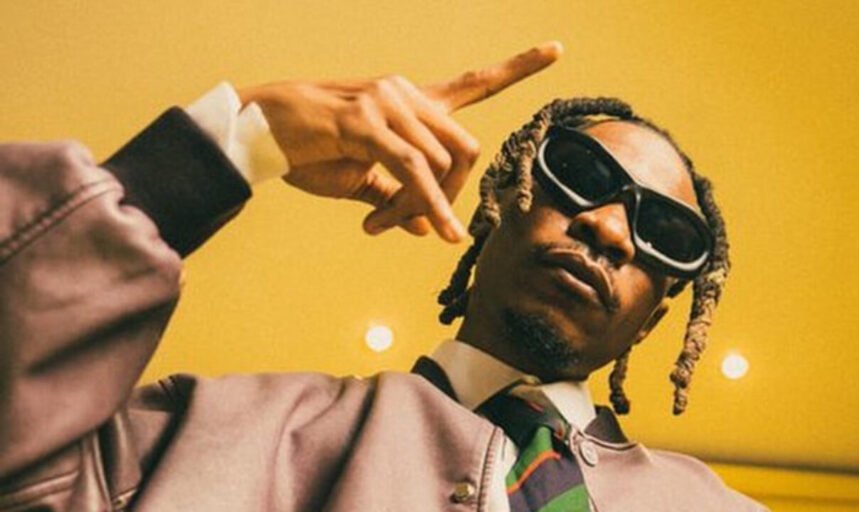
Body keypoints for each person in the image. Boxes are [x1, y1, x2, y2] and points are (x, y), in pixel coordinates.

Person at [0, 42, 764, 511]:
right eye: (581, 175)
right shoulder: (208, 435)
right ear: (498, 206)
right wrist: (230, 145)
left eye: (666, 236)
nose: (609, 229)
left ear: (655, 318)